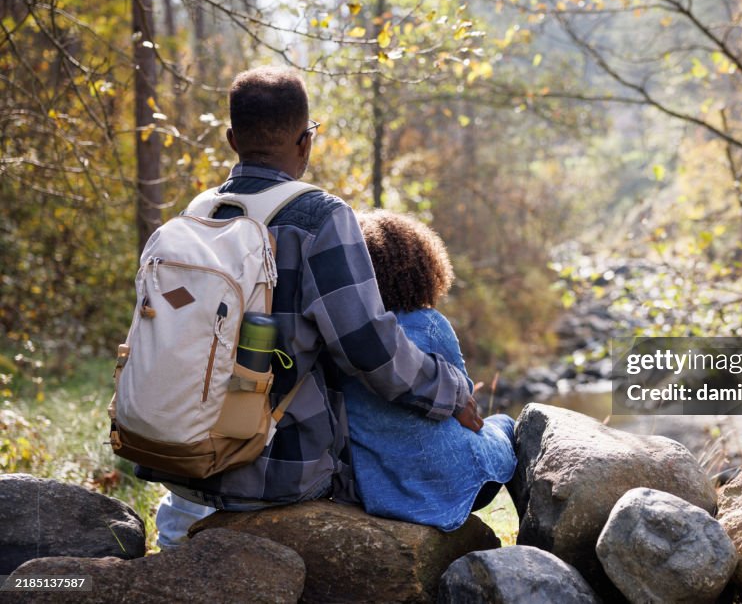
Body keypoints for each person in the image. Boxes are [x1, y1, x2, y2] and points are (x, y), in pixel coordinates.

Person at [148, 66, 483, 547]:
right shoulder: (321, 219)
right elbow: (370, 349)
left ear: (231, 140)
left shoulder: (195, 215)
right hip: (275, 472)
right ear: (304, 142)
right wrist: (450, 390)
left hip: (181, 458)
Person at [345, 210, 516, 531]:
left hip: (381, 491)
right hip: (454, 481)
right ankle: (532, 534)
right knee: (505, 424)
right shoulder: (429, 324)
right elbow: (466, 405)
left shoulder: (345, 339)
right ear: (422, 268)